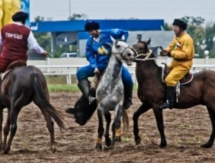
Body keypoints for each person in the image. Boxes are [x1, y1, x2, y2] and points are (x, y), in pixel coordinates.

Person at [76, 21, 133, 109]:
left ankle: (128, 99)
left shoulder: (110, 33)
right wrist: (94, 66)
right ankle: (89, 97)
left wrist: (121, 42)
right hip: (99, 65)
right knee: (80, 73)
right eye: (89, 32)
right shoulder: (89, 42)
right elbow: (89, 55)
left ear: (97, 29)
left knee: (128, 79)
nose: (91, 33)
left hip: (114, 65)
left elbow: (124, 32)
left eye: (92, 31)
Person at [159, 18, 195, 109]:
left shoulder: (187, 39)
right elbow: (171, 46)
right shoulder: (177, 37)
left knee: (169, 79)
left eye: (175, 27)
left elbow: (186, 54)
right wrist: (165, 51)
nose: (173, 29)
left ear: (181, 29)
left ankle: (170, 102)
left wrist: (171, 54)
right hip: (175, 63)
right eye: (173, 26)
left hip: (184, 65)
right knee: (162, 73)